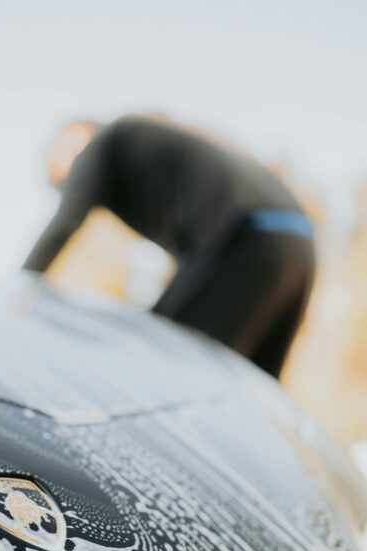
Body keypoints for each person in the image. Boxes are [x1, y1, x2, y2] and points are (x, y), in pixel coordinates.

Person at [24, 116, 316, 378]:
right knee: (255, 392)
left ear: (78, 137)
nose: (61, 181)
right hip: (301, 247)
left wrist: (20, 291)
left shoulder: (102, 141)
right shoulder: (146, 149)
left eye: (58, 166)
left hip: (245, 237)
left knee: (158, 369)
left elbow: (64, 224)